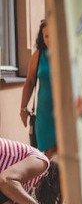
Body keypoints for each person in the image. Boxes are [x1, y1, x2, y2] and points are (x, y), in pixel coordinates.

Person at [21, 20, 57, 158]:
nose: (48, 40)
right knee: (48, 155)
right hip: (45, 115)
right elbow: (29, 82)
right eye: (45, 36)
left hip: (64, 111)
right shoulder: (38, 56)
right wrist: (23, 108)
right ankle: (48, 180)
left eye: (51, 35)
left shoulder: (66, 54)